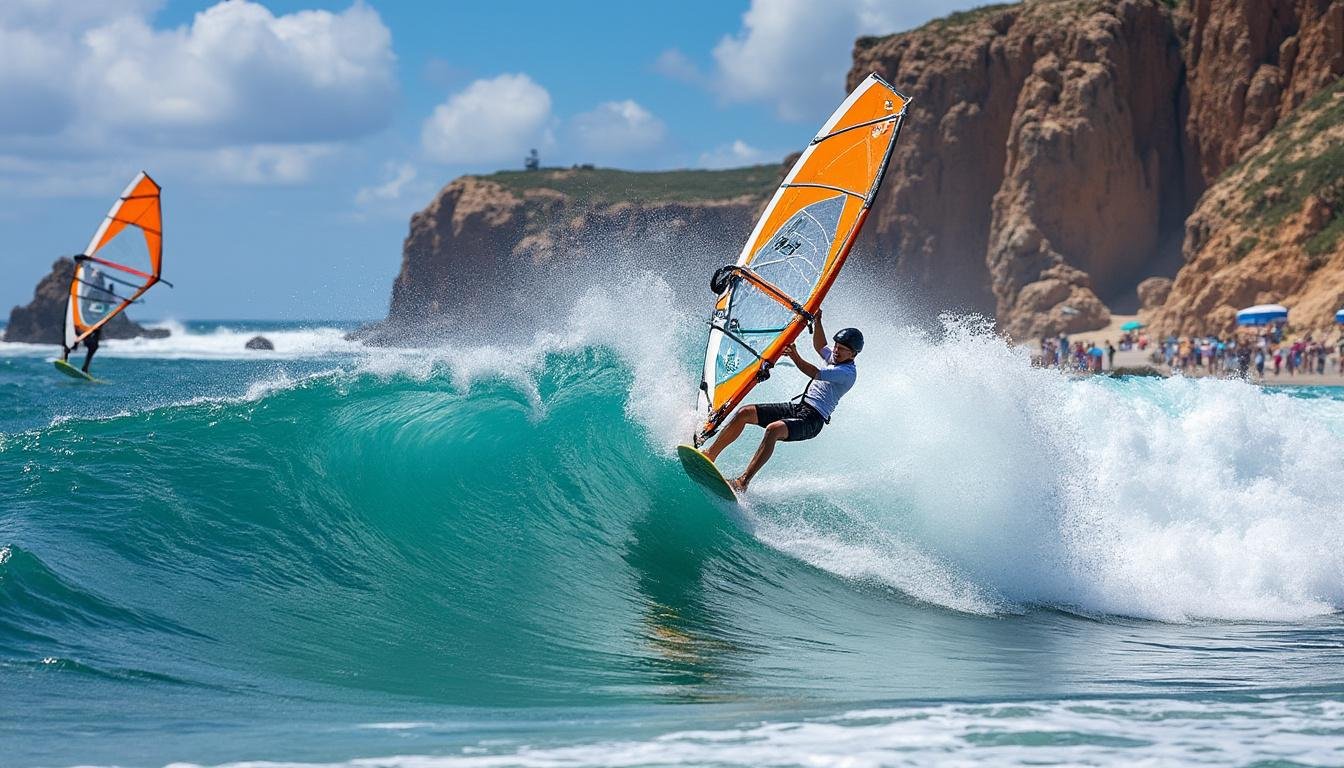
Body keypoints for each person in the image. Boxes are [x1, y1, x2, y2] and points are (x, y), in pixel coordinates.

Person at [703, 309, 860, 493]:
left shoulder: (848, 373)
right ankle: (710, 455)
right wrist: (818, 321)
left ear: (853, 354)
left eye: (842, 349)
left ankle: (742, 482)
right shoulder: (834, 357)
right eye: (836, 346)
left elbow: (815, 373)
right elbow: (820, 346)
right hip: (799, 407)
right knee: (745, 412)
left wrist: (795, 356)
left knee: (774, 430)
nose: (836, 350)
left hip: (813, 420)